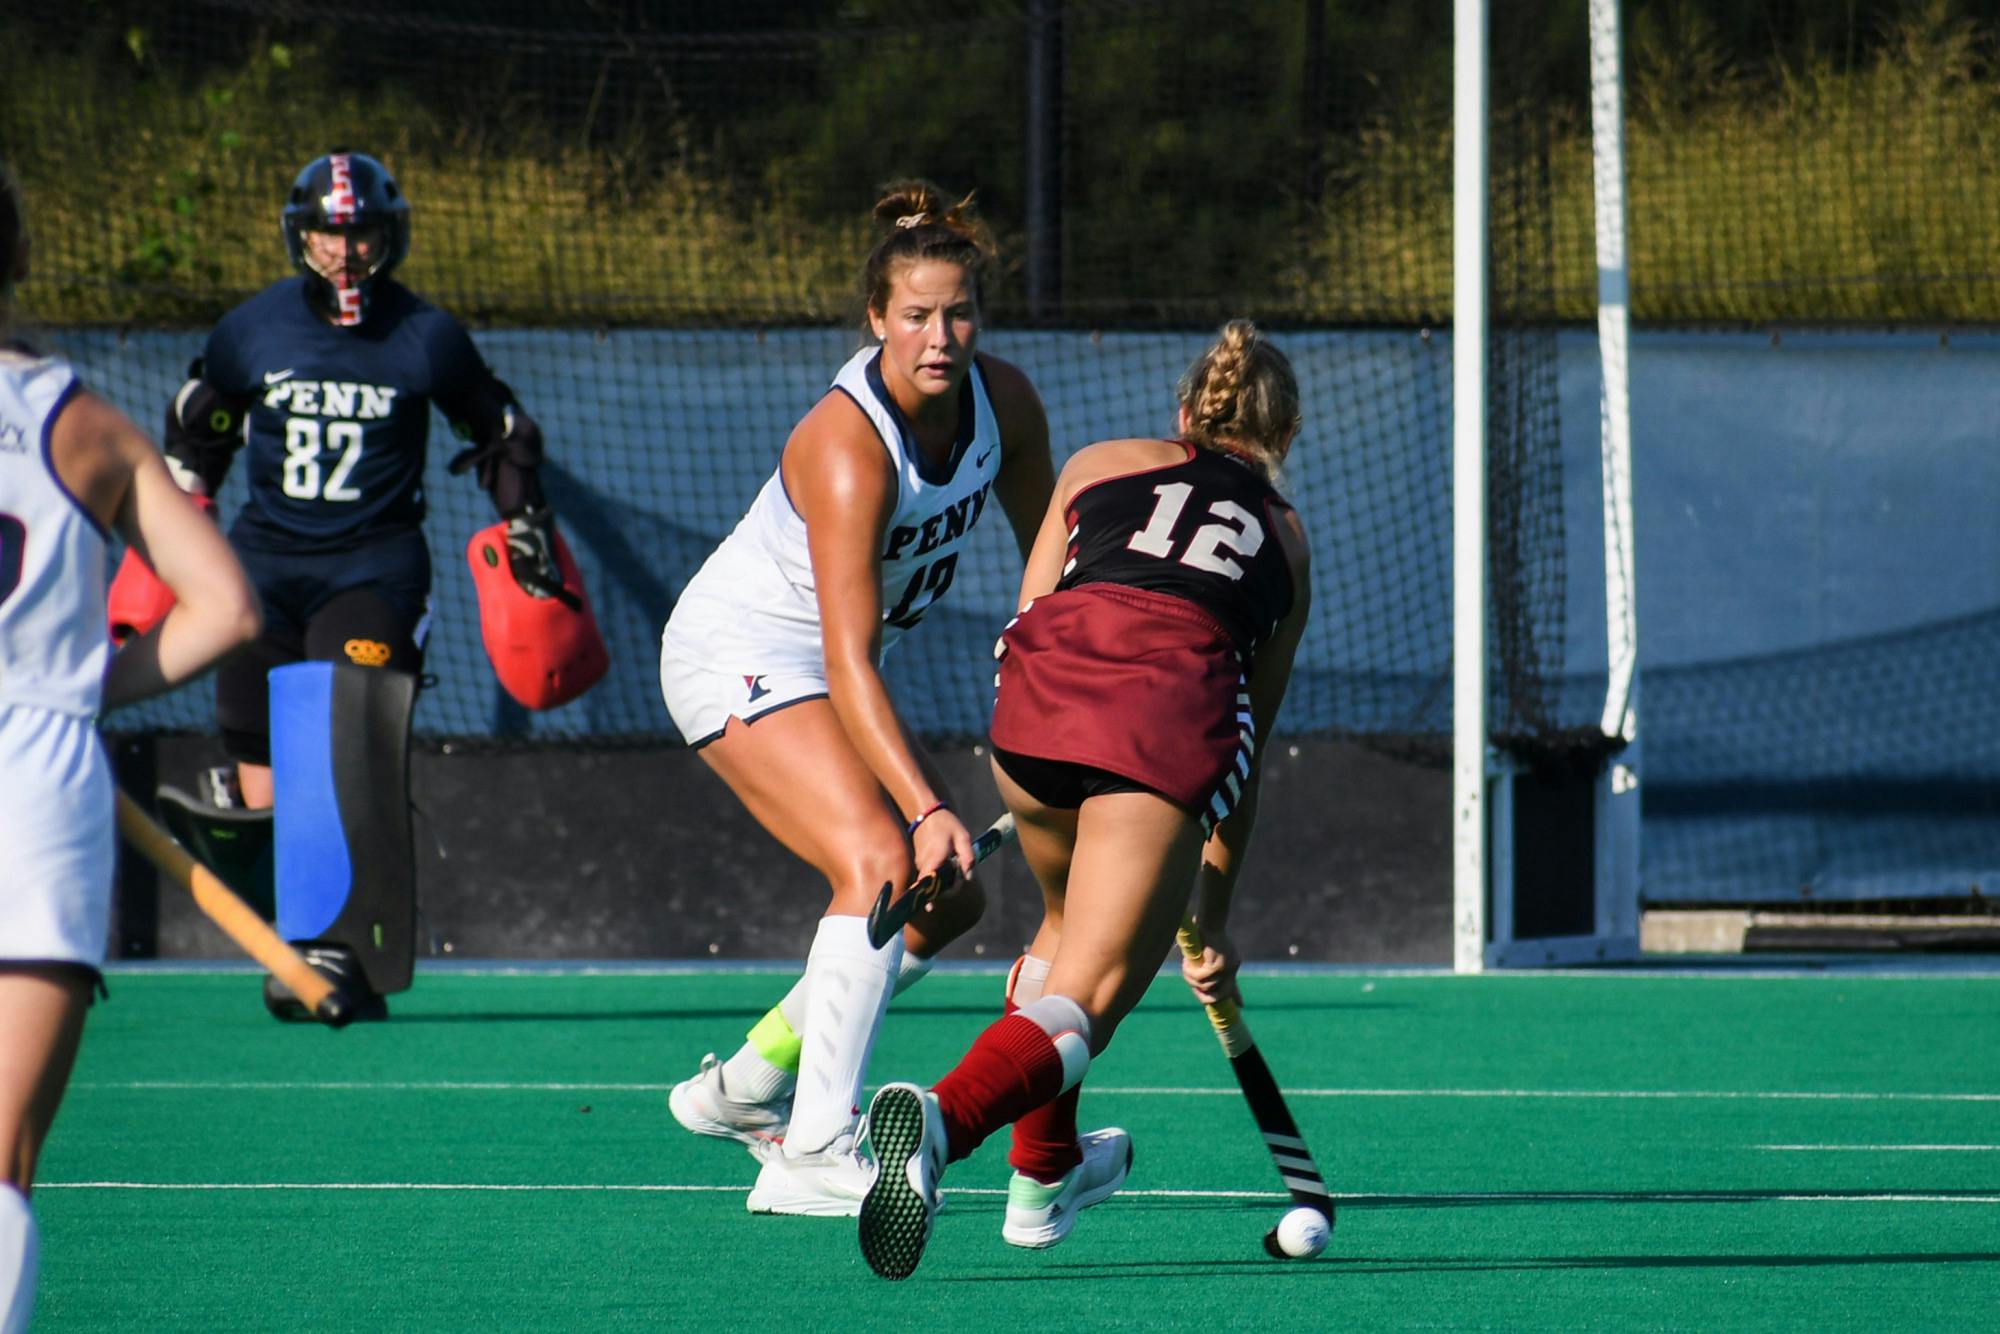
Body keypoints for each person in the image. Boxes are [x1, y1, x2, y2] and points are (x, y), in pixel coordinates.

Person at [854, 320, 1311, 1279]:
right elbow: (1246, 748)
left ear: (1185, 413)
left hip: (1032, 714)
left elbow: (1029, 613)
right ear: (1286, 435)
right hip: (1161, 728)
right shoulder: (1285, 537)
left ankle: (1042, 1182)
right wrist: (1212, 921)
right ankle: (941, 1124)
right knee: (1092, 998)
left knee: (1064, 936)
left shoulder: (1100, 462)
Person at [658, 180, 1055, 1216]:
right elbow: (848, 662)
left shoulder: (1003, 403)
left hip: (823, 669)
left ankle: (742, 1088)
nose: (939, 336)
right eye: (915, 315)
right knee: (882, 861)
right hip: (739, 657)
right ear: (876, 318)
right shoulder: (848, 446)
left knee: (949, 895)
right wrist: (925, 807)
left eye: (957, 312)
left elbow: (1050, 558)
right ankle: (813, 1147)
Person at [130, 150, 562, 1009]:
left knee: (336, 730)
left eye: (361, 231)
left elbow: (501, 428)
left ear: (388, 236)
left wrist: (522, 521)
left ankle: (334, 944)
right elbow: (196, 435)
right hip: (257, 573)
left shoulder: (425, 335)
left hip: (371, 568)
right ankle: (304, 944)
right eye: (331, 231)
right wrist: (173, 532)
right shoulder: (254, 329)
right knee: (254, 742)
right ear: (302, 236)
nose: (346, 249)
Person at [0, 163, 261, 1331]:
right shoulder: (80, 419)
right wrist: (77, 689)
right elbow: (223, 609)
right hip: (40, 787)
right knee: (1, 1163)